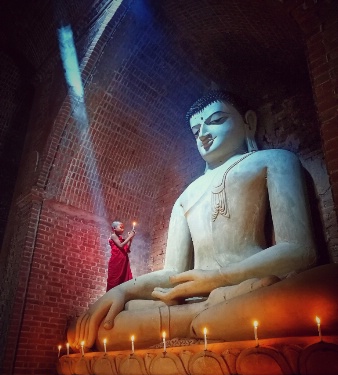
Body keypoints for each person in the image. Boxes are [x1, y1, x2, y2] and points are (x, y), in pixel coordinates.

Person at [69, 90, 337, 352]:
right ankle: (207, 322)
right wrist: (122, 293)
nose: (204, 136)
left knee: (328, 286)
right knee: (97, 328)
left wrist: (217, 279)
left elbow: (300, 250)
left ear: (249, 122)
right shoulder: (185, 197)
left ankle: (201, 322)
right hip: (199, 301)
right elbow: (172, 273)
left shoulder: (273, 160)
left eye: (217, 120)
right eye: (196, 132)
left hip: (250, 290)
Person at [106, 221, 135, 291]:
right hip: (116, 262)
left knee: (123, 281)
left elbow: (127, 249)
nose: (123, 229)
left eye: (123, 228)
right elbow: (121, 246)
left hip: (123, 262)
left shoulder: (121, 238)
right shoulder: (113, 236)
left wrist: (130, 240)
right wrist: (129, 237)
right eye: (121, 227)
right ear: (114, 229)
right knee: (115, 281)